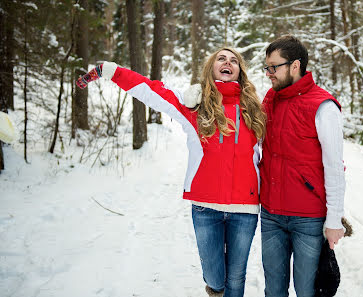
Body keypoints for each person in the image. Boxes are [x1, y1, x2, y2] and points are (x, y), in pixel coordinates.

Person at [76, 47, 266, 297]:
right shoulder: (194, 107)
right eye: (221, 58)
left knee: (236, 277)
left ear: (240, 71)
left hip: (245, 208)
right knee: (215, 277)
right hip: (205, 206)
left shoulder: (255, 110)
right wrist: (112, 71)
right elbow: (152, 90)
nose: (227, 62)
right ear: (211, 68)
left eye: (234, 60)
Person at [259, 35, 345, 297]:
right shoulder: (270, 100)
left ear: (295, 66)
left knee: (307, 291)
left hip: (307, 218)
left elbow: (334, 167)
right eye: (267, 67)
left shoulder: (323, 106)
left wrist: (333, 220)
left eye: (274, 67)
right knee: (274, 290)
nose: (269, 74)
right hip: (271, 214)